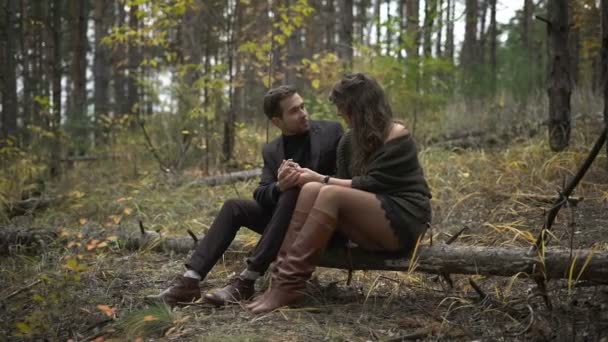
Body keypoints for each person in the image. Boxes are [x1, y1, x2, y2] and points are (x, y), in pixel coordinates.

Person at [246, 73, 432, 314]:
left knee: (328, 192)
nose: (340, 115)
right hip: (370, 225)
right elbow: (344, 182)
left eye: (344, 109)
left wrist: (321, 178)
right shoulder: (347, 141)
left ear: (359, 108)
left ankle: (289, 284)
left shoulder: (396, 135)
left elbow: (373, 184)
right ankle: (281, 280)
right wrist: (310, 178)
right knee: (313, 189)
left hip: (405, 220)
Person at [150, 85, 343, 306]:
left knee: (295, 192)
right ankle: (189, 282)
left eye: (302, 106)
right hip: (282, 223)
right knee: (235, 206)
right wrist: (279, 185)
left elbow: (345, 177)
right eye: (294, 111)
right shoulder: (272, 150)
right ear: (277, 122)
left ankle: (247, 280)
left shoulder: (331, 132)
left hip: (321, 223)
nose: (303, 114)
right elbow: (261, 192)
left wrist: (309, 179)